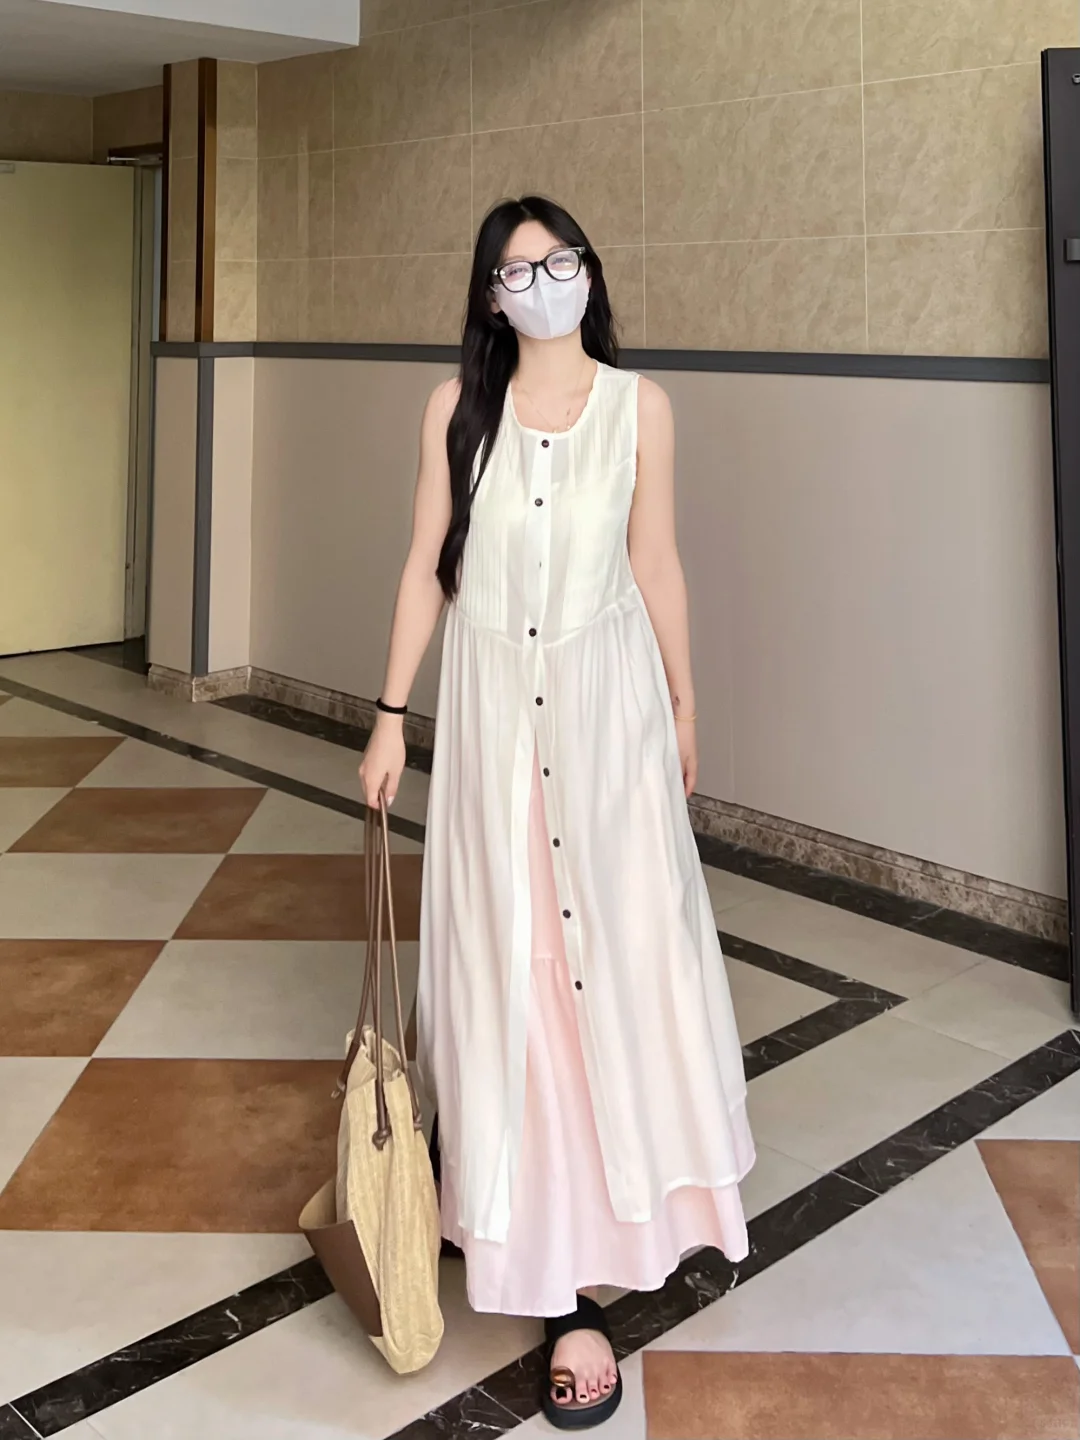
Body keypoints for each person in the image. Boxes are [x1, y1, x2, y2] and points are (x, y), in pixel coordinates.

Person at [359, 196, 754, 1429]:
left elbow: (656, 563)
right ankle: (544, 1265)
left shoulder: (641, 409)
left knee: (616, 969)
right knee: (513, 978)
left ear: (590, 272)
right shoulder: (455, 410)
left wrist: (685, 702)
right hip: (495, 739)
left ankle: (615, 1229)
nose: (545, 281)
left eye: (561, 260)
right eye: (519, 269)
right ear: (490, 295)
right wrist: (389, 714)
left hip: (608, 732)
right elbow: (429, 563)